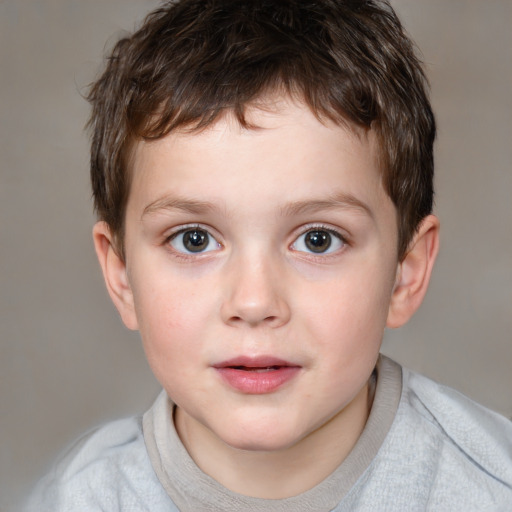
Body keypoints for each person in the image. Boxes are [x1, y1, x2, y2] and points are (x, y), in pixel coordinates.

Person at [25, 0, 512, 510]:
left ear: (404, 274)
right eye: (194, 239)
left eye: (318, 239)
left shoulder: (491, 487)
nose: (255, 302)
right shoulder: (76, 499)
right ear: (122, 276)